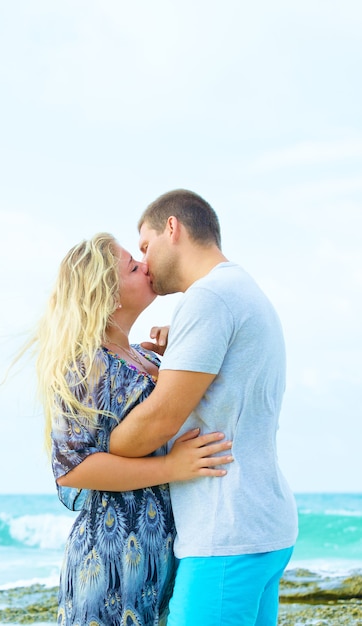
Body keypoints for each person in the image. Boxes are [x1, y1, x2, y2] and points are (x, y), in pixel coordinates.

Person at [109, 190, 298, 626]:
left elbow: (160, 421)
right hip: (261, 527)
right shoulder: (241, 288)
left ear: (172, 228)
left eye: (144, 247)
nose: (146, 263)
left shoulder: (209, 297)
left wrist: (100, 449)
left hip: (226, 534)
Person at [29, 232, 234, 626]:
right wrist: (172, 468)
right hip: (109, 557)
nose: (147, 267)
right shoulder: (83, 365)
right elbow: (74, 469)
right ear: (109, 293)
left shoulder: (139, 355)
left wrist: (181, 353)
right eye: (133, 267)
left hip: (162, 548)